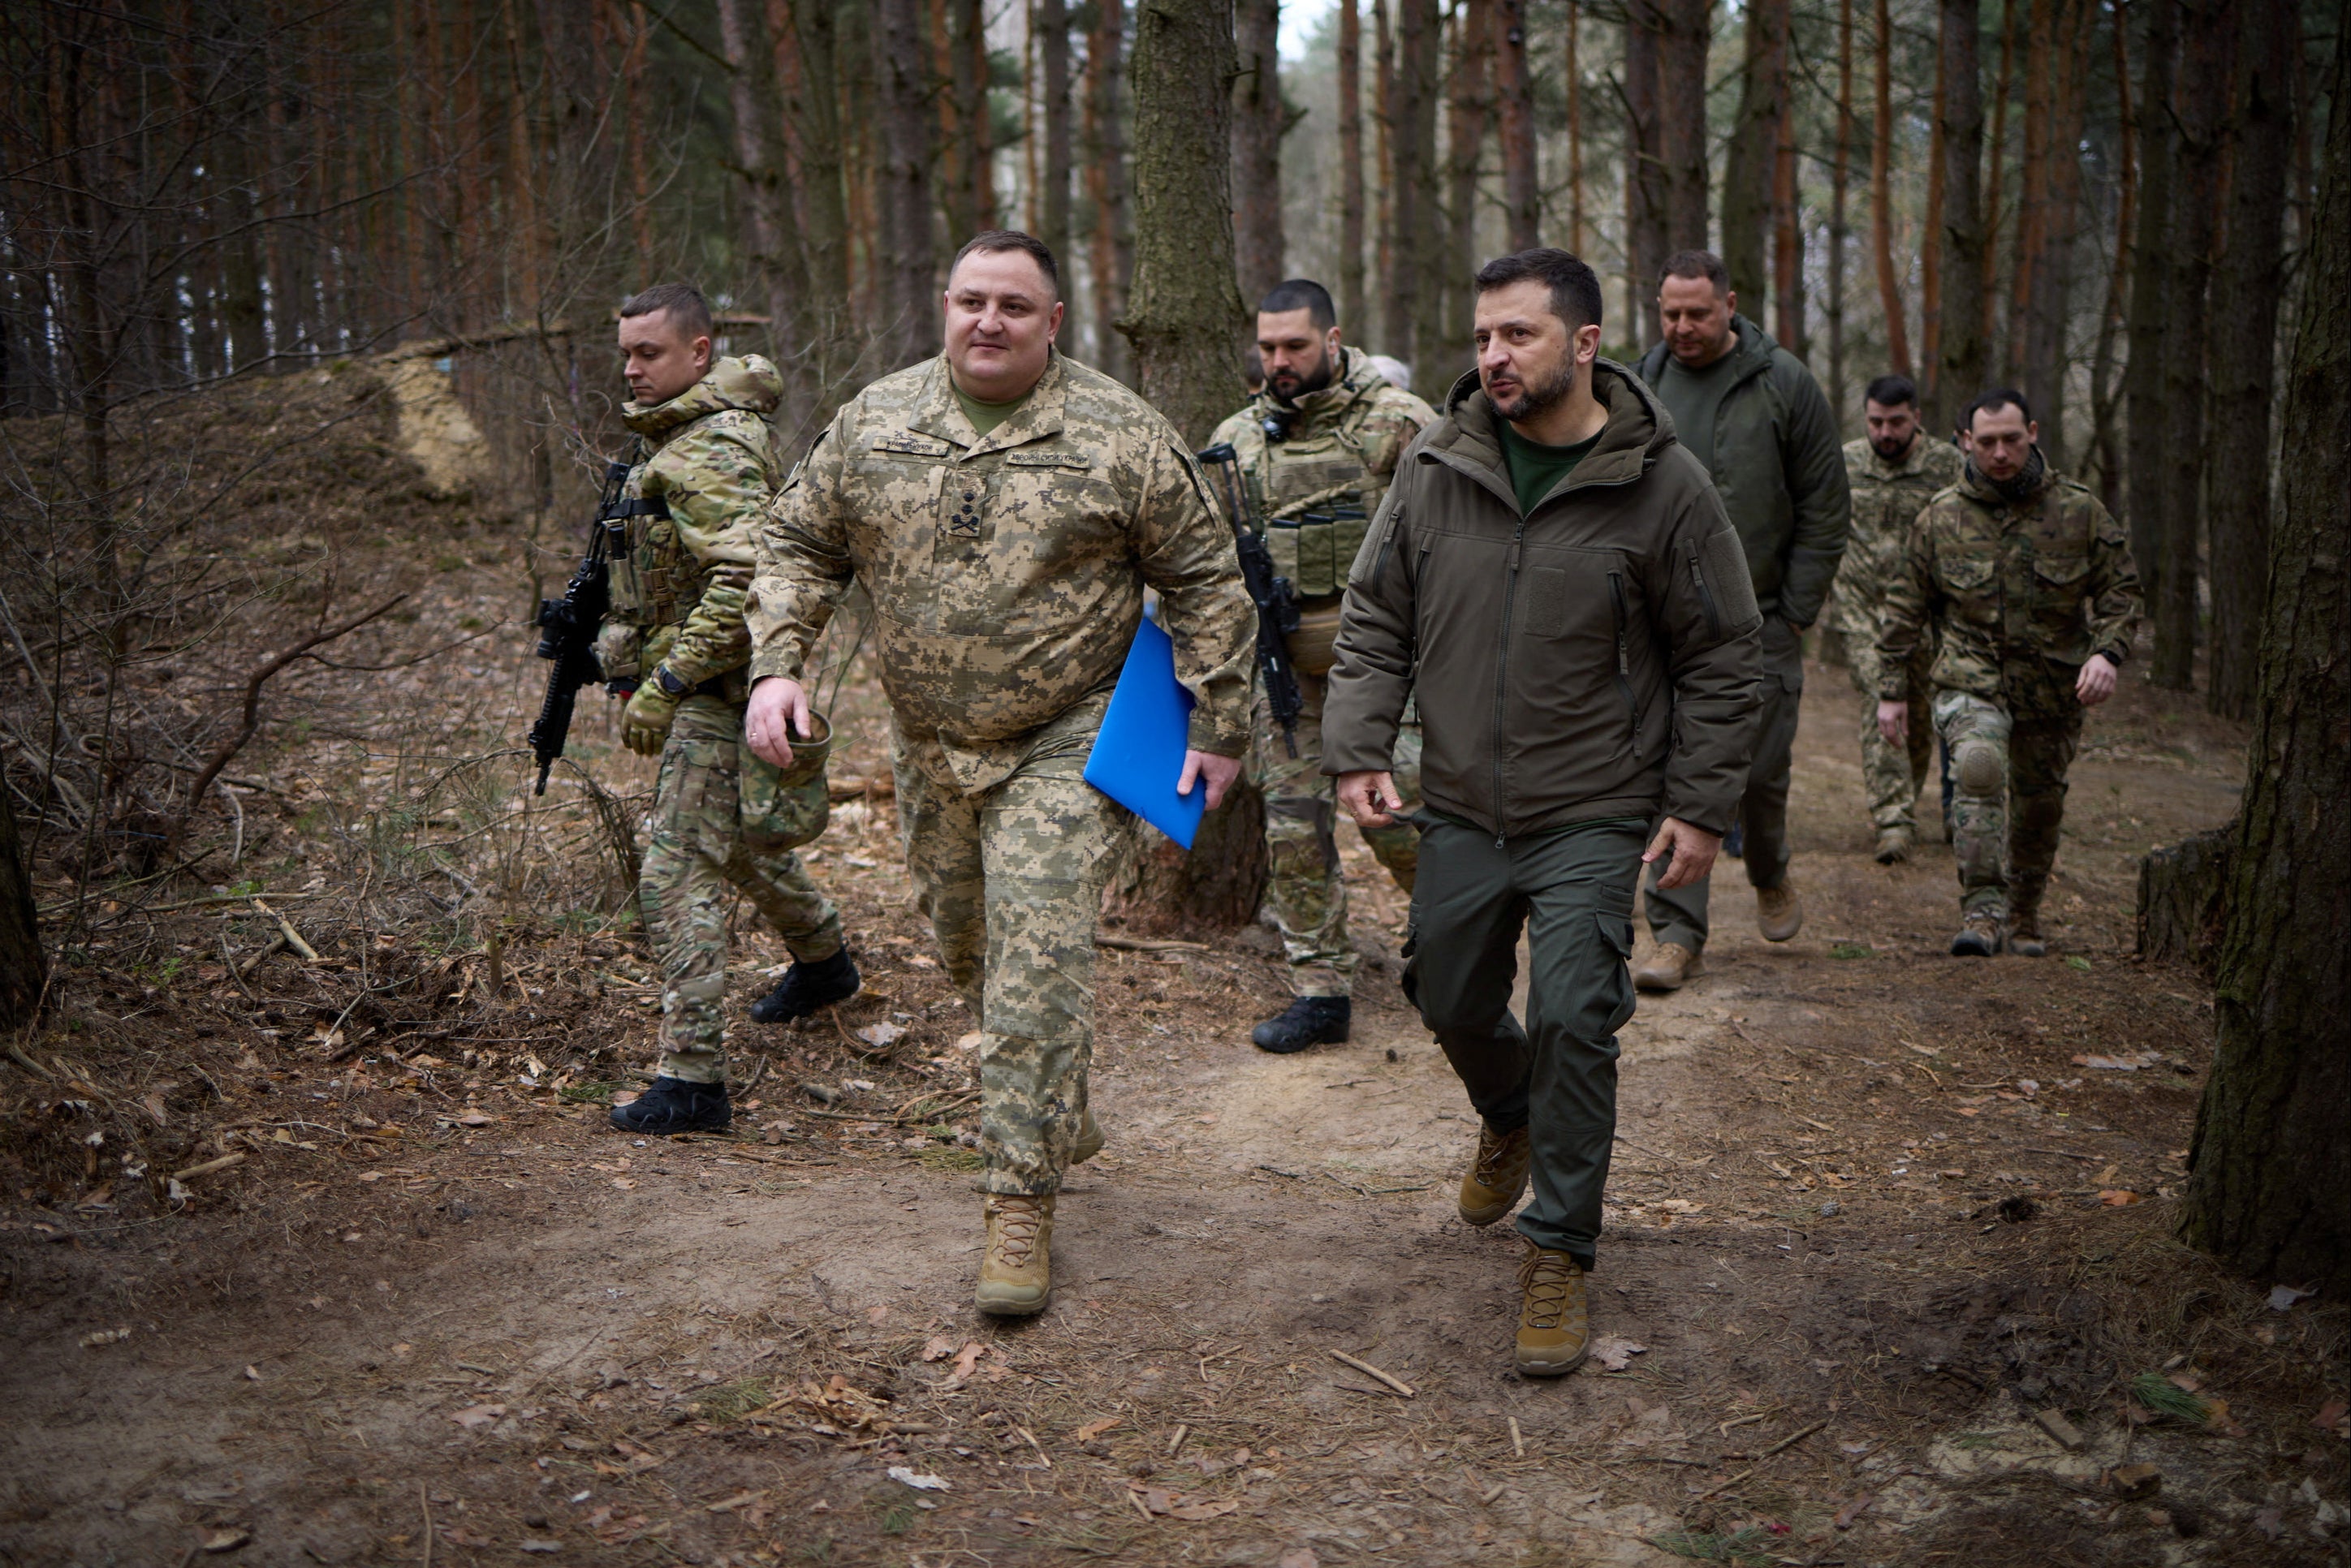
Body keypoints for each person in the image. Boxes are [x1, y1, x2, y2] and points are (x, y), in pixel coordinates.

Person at [743, 231, 1253, 1316]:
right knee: (970, 941)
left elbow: (1206, 579)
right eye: (971, 300)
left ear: (1054, 321)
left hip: (1067, 734)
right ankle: (1053, 1102)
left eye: (1015, 306)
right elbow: (795, 545)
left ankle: (1017, 1200)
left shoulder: (1119, 432)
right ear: (943, 304)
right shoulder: (875, 420)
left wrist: (1219, 724)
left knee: (1037, 946)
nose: (989, 322)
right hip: (928, 741)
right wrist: (775, 669)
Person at [1324, 248, 1762, 1376]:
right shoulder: (1438, 462)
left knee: (1575, 1012)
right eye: (1482, 337)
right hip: (1464, 799)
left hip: (1596, 806)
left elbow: (1722, 656)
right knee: (1446, 986)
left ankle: (1559, 1248)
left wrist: (1704, 809)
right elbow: (1375, 614)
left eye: (1517, 335)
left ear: (1585, 344)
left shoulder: (1663, 485)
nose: (1492, 357)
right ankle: (1507, 1114)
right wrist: (1359, 747)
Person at [599, 283, 859, 1137]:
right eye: (627, 352)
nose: (631, 369)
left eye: (651, 353)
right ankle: (824, 963)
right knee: (741, 845)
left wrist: (665, 681)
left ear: (700, 353)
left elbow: (743, 577)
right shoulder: (682, 438)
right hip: (716, 686)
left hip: (716, 691)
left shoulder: (707, 448)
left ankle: (692, 1081)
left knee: (676, 871)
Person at [1206, 279, 1440, 1053]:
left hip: (1389, 674)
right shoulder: (1237, 442)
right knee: (1294, 830)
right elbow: (1206, 565)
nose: (1279, 361)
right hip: (1287, 677)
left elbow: (1460, 544)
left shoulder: (1401, 425)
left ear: (1333, 342)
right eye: (1268, 348)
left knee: (1402, 821)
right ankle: (1320, 990)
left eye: (1295, 347)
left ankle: (1449, 954)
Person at [1628, 251, 1849, 991]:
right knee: (1672, 770)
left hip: (1760, 624)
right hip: (1666, 625)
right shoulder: (1639, 385)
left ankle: (1769, 868)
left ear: (1730, 304)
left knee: (1757, 772)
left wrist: (1795, 612)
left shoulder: (1783, 382)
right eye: (1670, 313)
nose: (1682, 326)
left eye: (1697, 312)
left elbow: (1825, 504)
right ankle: (1674, 935)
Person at [1877, 390, 2142, 957]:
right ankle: (1982, 911)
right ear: (1966, 441)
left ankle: (2024, 912)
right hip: (1970, 680)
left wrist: (2107, 653)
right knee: (1978, 768)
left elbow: (2122, 593)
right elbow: (1903, 609)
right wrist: (1891, 693)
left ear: (2033, 433)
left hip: (2053, 685)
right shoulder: (1941, 517)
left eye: (2012, 440)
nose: (2000, 453)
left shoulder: (2079, 510)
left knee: (2040, 799)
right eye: (1988, 441)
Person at [1835, 374, 1965, 863]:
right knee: (1881, 703)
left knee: (1917, 709)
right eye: (1875, 422)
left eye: (1895, 422)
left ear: (1916, 418)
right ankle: (1892, 820)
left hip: (1924, 617)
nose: (1885, 432)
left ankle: (1907, 802)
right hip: (1862, 611)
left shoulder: (1947, 466)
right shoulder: (1845, 462)